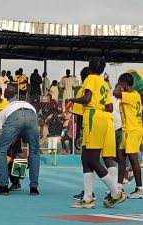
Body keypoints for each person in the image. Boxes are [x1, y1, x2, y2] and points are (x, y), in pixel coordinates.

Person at [69, 57, 125, 208]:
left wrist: (72, 99)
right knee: (89, 159)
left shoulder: (90, 79)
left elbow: (87, 99)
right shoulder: (104, 83)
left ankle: (115, 192)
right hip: (105, 119)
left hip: (93, 117)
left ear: (90, 67)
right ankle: (88, 197)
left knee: (92, 161)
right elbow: (109, 108)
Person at [0, 85, 40, 195]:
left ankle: (3, 187)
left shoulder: (2, 112)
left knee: (0, 150)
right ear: (16, 95)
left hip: (14, 116)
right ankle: (34, 188)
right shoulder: (27, 103)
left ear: (5, 96)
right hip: (31, 113)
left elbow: (0, 137)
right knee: (34, 151)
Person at [113, 73, 143, 198]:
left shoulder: (129, 96)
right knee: (121, 157)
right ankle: (119, 187)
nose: (118, 86)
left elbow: (115, 92)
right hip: (128, 130)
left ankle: (139, 189)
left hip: (132, 130)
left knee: (133, 158)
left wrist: (119, 87)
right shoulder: (135, 94)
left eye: (120, 84)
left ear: (124, 84)